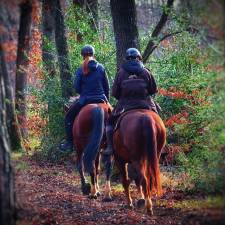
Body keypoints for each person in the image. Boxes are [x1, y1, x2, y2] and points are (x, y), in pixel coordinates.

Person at [104, 47, 159, 155]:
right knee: (158, 119)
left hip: (125, 105)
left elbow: (115, 93)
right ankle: (163, 145)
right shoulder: (146, 71)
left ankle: (110, 147)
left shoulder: (121, 72)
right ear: (139, 58)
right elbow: (153, 90)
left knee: (110, 123)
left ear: (127, 58)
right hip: (145, 103)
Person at [60, 45, 110, 151]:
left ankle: (69, 143)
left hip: (85, 100)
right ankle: (111, 144)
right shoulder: (101, 67)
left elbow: (77, 87)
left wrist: (83, 92)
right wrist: (106, 100)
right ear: (93, 54)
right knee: (115, 118)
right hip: (101, 99)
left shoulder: (81, 69)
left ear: (83, 56)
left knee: (69, 117)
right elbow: (107, 87)